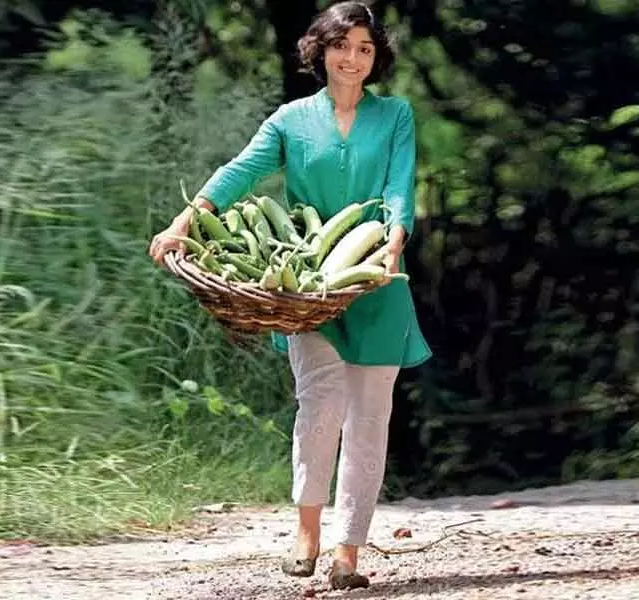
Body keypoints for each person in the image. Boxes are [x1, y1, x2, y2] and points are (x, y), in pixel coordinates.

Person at [148, 0, 432, 590]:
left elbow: (399, 184)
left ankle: (349, 550)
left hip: (374, 276)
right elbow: (240, 172)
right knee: (320, 407)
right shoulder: (290, 120)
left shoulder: (396, 115)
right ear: (319, 50)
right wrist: (183, 221)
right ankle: (306, 533)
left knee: (370, 419)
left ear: (375, 57)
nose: (351, 59)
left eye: (364, 48)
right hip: (304, 279)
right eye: (341, 46)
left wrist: (396, 237)